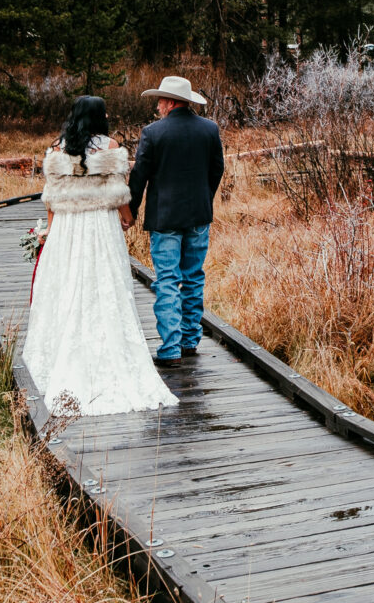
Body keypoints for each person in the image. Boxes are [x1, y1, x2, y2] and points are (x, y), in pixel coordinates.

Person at [21, 95, 174, 418]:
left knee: (67, 283)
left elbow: (50, 198)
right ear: (98, 117)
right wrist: (128, 216)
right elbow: (119, 190)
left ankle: (57, 355)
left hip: (68, 225)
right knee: (105, 285)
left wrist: (48, 232)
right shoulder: (110, 147)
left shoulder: (57, 149)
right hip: (101, 226)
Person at [125, 74, 224, 363]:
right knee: (193, 277)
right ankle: (190, 340)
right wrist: (204, 198)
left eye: (159, 101)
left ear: (170, 102)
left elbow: (139, 176)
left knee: (167, 280)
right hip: (198, 215)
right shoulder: (209, 129)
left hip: (165, 218)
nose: (157, 106)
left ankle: (170, 348)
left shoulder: (153, 133)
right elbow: (217, 169)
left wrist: (130, 211)